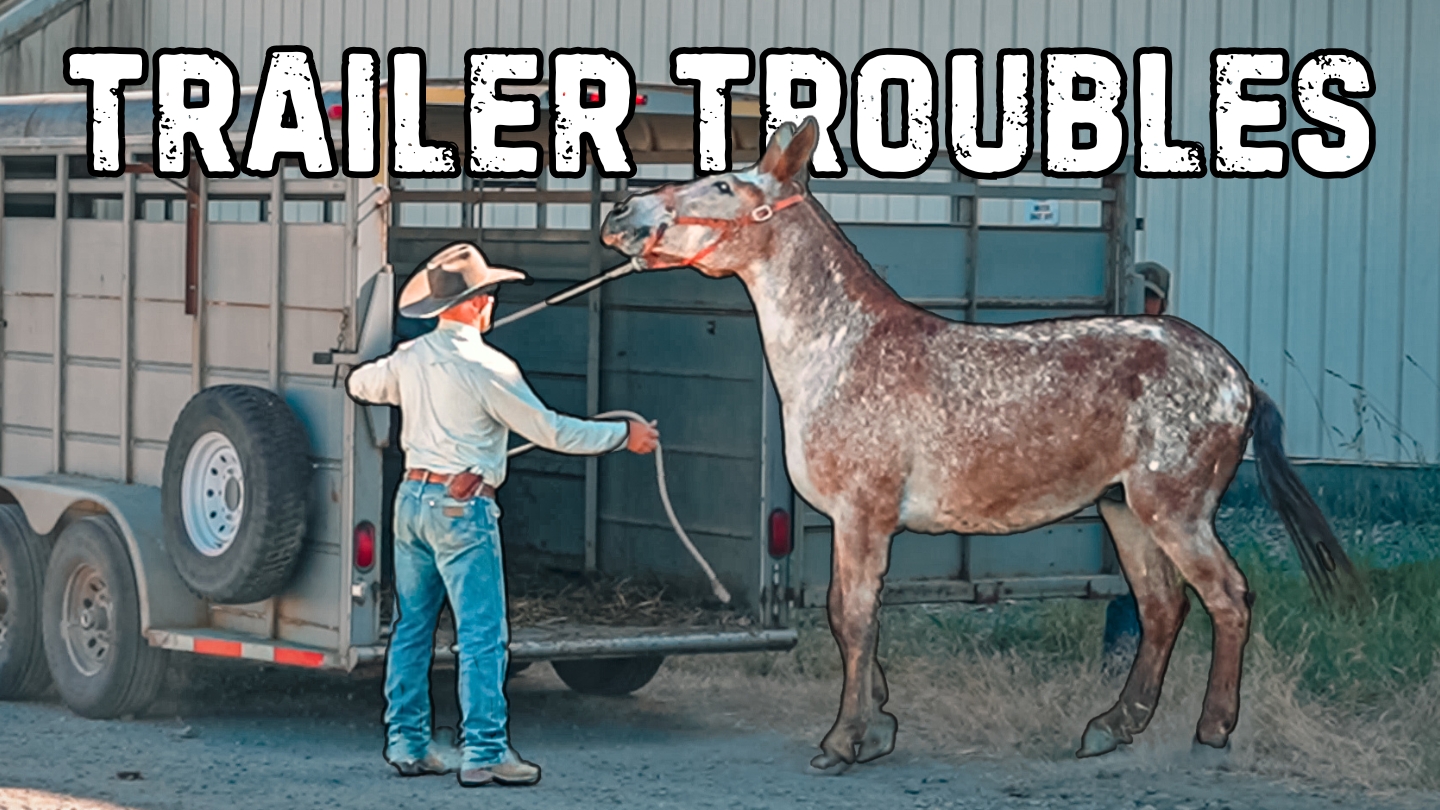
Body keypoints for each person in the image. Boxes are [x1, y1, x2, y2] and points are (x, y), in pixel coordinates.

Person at [345, 241, 659, 788]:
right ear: (473, 304)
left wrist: (405, 376)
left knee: (413, 627)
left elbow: (358, 384)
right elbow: (554, 431)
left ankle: (408, 742)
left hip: (412, 500)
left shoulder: (412, 359)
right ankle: (485, 751)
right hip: (461, 508)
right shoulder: (491, 368)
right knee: (482, 634)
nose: (492, 301)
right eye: (487, 293)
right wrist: (622, 436)